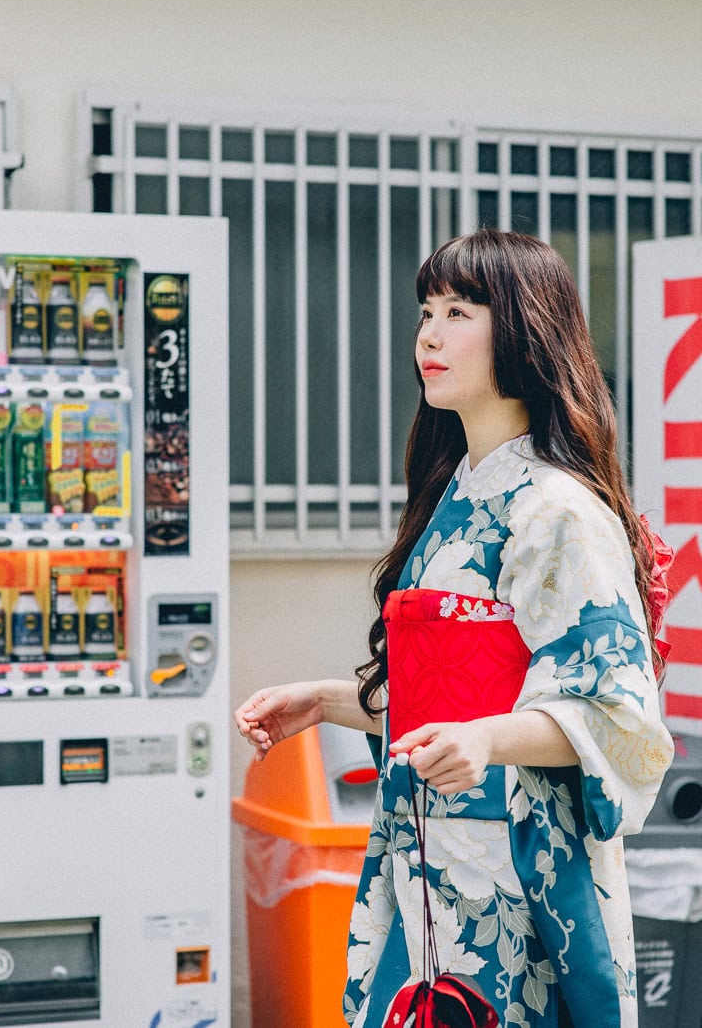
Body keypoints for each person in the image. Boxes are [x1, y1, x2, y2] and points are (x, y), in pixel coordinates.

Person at [235, 229, 674, 1028]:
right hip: (428, 868)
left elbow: (618, 712)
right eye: (426, 313)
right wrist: (326, 701)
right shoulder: (457, 494)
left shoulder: (558, 509)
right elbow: (447, 709)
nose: (429, 336)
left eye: (458, 312)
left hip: (516, 883)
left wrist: (487, 739)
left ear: (525, 330)